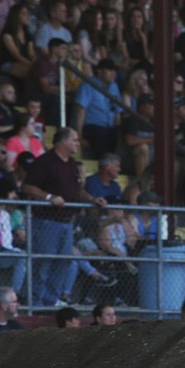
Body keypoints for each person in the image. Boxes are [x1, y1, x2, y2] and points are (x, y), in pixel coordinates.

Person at [20, 127, 109, 307]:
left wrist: (93, 199)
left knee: (63, 263)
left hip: (67, 222)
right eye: (74, 140)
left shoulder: (72, 165)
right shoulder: (44, 162)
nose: (77, 143)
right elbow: (27, 187)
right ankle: (34, 303)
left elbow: (78, 190)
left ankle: (49, 302)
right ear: (63, 141)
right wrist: (49, 197)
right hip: (46, 222)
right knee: (43, 263)